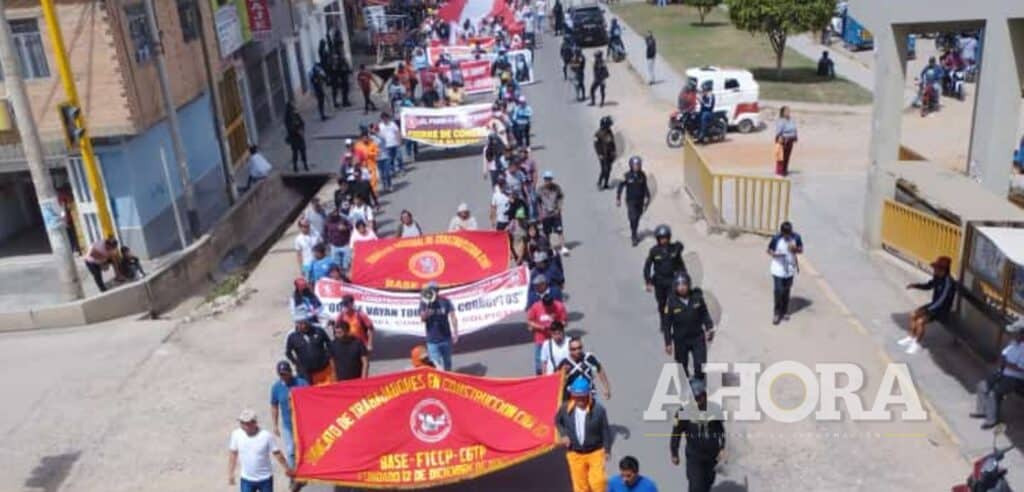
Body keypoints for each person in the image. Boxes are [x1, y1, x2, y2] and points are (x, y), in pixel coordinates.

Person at [555, 377, 611, 492]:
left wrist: (607, 450)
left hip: (595, 452)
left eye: (582, 397)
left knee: (598, 483)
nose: (579, 400)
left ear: (588, 395)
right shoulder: (566, 408)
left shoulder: (599, 410)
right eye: (576, 396)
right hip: (575, 454)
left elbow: (605, 430)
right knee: (581, 487)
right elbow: (557, 421)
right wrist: (564, 434)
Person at [670, 379, 726, 492]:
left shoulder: (715, 410)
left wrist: (723, 448)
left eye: (700, 397)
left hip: (712, 455)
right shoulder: (683, 413)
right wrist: (674, 452)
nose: (698, 401)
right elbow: (676, 433)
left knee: (707, 483)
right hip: (694, 456)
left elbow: (721, 431)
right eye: (695, 398)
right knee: (696, 486)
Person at [971, 320, 1024, 429]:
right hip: (1003, 372)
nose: (1012, 334)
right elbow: (1004, 354)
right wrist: (1003, 362)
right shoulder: (1013, 343)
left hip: (1015, 378)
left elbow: (1020, 369)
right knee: (982, 385)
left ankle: (992, 420)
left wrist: (1007, 364)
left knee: (995, 393)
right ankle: (982, 411)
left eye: (1015, 333)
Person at [900, 255, 955, 354]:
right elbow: (928, 286)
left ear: (943, 270)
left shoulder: (948, 283)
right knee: (913, 314)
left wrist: (927, 310)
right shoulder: (937, 277)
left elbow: (942, 301)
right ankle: (911, 337)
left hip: (942, 310)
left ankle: (917, 344)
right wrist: (915, 285)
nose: (934, 270)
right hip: (933, 306)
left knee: (920, 321)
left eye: (936, 268)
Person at [663, 274, 714, 381]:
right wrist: (668, 342)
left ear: (688, 284)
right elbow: (667, 324)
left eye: (684, 284)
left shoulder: (697, 298)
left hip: (697, 338)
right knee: (682, 368)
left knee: (700, 366)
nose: (682, 287)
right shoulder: (671, 302)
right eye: (679, 285)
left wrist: (709, 328)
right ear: (675, 287)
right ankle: (685, 387)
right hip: (681, 340)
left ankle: (700, 389)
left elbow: (705, 314)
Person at [228, 409, 294, 491]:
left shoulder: (266, 436)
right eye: (242, 422)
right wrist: (231, 473)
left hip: (265, 479)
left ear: (254, 423)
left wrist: (287, 468)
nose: (243, 425)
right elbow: (233, 454)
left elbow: (277, 453)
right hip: (246, 479)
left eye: (246, 423)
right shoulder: (236, 434)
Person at [644, 225, 687, 331]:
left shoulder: (674, 250)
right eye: (661, 238)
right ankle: (664, 322)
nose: (663, 240)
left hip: (672, 281)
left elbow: (681, 265)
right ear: (657, 239)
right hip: (659, 281)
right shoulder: (654, 251)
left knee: (673, 302)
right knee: (662, 304)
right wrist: (648, 281)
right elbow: (647, 266)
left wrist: (684, 279)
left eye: (665, 238)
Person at [269, 361, 308, 469]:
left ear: (290, 372)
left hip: (302, 423)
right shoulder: (276, 388)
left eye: (285, 373)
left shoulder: (302, 383)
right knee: (290, 450)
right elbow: (274, 406)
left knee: (305, 448)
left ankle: (307, 470)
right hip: (288, 425)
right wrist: (275, 425)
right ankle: (294, 474)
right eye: (281, 374)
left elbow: (311, 400)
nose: (284, 376)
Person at [767, 221, 803, 325]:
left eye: (789, 234)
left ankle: (785, 310)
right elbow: (769, 250)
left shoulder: (796, 237)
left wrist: (794, 249)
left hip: (790, 269)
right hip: (778, 269)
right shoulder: (776, 238)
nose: (787, 236)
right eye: (785, 234)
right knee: (778, 290)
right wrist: (775, 254)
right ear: (782, 233)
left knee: (786, 291)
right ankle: (777, 313)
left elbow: (801, 250)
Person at [285, 311, 334, 385]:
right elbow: (288, 352)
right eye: (300, 323)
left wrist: (327, 356)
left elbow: (329, 344)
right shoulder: (292, 336)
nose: (304, 326)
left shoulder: (318, 330)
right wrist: (295, 362)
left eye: (305, 323)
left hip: (323, 369)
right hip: (305, 373)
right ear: (296, 324)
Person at [419, 282, 459, 371]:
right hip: (432, 341)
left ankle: (448, 380)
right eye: (431, 290)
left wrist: (455, 333)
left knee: (447, 363)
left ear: (438, 291)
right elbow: (422, 318)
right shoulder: (424, 302)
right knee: (436, 366)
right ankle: (439, 384)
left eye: (436, 290)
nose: (434, 292)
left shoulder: (445, 301)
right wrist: (427, 311)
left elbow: (453, 317)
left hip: (446, 338)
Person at [527, 292, 568, 375]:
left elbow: (564, 321)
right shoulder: (536, 307)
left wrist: (555, 326)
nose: (549, 308)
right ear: (542, 303)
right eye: (547, 307)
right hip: (541, 339)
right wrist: (542, 327)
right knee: (540, 361)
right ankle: (540, 377)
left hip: (556, 339)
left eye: (551, 306)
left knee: (559, 358)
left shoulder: (559, 306)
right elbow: (530, 322)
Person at [616, 156, 652, 247]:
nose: (636, 167)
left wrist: (648, 196)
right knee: (632, 217)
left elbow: (645, 187)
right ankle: (634, 235)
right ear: (631, 165)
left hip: (640, 200)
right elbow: (620, 187)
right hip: (630, 200)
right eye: (635, 165)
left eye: (638, 165)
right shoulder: (626, 176)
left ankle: (634, 231)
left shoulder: (642, 175)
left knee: (637, 218)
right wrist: (618, 198)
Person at [538, 171, 570, 255]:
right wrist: (540, 212)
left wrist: (559, 208)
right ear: (544, 179)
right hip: (546, 214)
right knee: (547, 233)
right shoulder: (540, 190)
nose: (548, 181)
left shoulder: (556, 188)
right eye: (546, 179)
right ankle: (551, 249)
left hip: (555, 213)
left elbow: (561, 197)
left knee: (559, 230)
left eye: (549, 179)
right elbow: (538, 201)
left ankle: (563, 247)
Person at [379, 113, 404, 186]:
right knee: (390, 160)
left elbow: (397, 132)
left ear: (388, 118)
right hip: (387, 146)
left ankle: (401, 169)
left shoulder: (392, 124)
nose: (385, 119)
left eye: (386, 117)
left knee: (399, 157)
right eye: (383, 118)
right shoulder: (380, 126)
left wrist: (399, 141)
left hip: (395, 144)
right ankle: (393, 172)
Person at [284, 102, 309, 172]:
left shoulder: (296, 114)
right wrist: (296, 130)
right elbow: (289, 128)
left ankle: (305, 164)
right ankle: (295, 166)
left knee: (303, 151)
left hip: (300, 136)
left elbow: (302, 122)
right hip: (294, 137)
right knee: (295, 153)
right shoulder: (287, 118)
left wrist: (301, 129)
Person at [593, 116, 616, 190]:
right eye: (608, 124)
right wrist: (600, 154)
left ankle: (606, 183)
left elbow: (612, 143)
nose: (609, 126)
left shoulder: (609, 132)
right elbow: (596, 145)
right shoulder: (598, 133)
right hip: (603, 155)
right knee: (604, 169)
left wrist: (614, 151)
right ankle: (599, 183)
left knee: (609, 169)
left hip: (609, 154)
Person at [774, 106, 798, 176]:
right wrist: (779, 140)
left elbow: (794, 129)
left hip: (790, 141)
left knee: (787, 156)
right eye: (787, 111)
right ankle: (779, 172)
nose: (788, 112)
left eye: (789, 111)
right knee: (781, 157)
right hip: (783, 141)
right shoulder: (781, 121)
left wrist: (795, 137)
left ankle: (785, 171)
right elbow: (778, 132)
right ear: (783, 112)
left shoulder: (791, 120)